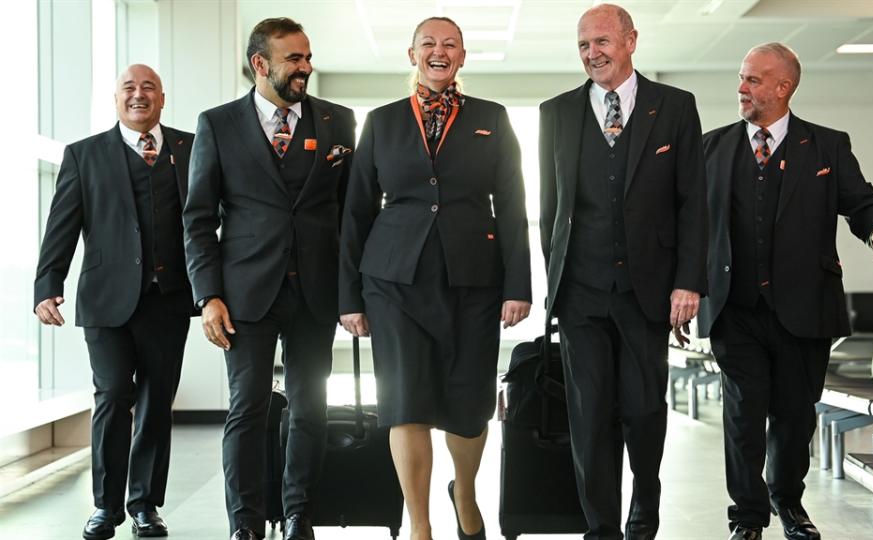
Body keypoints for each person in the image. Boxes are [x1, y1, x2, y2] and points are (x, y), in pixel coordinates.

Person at [697, 43, 873, 540]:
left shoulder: (827, 147)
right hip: (734, 307)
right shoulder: (711, 147)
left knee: (793, 417)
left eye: (752, 80)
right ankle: (746, 518)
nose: (741, 89)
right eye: (741, 79)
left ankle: (786, 500)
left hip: (805, 308)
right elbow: (685, 225)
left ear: (782, 87)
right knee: (744, 414)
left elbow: (863, 201)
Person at [339, 16, 532, 540]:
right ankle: (420, 526)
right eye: (429, 44)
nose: (439, 52)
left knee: (469, 405)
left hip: (474, 280)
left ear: (463, 57)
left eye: (450, 45)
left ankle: (464, 491)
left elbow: (512, 206)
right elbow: (355, 212)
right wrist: (348, 297)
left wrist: (519, 285)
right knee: (406, 403)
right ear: (412, 55)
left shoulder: (492, 117)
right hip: (392, 282)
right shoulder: (381, 122)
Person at [182, 17, 356, 540]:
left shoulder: (338, 121)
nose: (306, 67)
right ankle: (247, 523)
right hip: (244, 294)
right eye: (294, 60)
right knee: (247, 409)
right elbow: (198, 217)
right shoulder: (217, 124)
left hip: (316, 291)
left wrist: (354, 294)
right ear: (261, 65)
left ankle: (299, 514)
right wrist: (208, 295)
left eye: (307, 57)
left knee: (310, 408)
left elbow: (351, 215)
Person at [539, 4, 708, 539]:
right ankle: (601, 530)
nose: (593, 53)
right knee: (588, 420)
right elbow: (551, 208)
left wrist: (688, 281)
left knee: (643, 412)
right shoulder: (556, 112)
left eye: (603, 42)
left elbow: (693, 204)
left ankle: (644, 517)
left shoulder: (675, 107)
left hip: (648, 291)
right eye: (584, 44)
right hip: (581, 292)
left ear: (631, 41)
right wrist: (557, 278)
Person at [34, 64, 195, 540]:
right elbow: (61, 224)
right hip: (105, 300)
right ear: (116, 98)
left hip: (168, 299)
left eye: (149, 88)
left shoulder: (192, 149)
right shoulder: (84, 155)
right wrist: (48, 283)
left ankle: (146, 505)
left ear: (162, 99)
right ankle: (106, 507)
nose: (139, 95)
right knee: (111, 396)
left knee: (155, 403)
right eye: (130, 88)